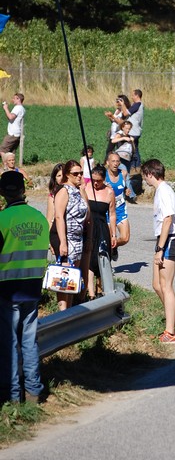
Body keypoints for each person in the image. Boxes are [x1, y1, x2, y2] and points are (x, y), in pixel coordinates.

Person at [0, 171, 49, 404]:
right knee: (29, 341)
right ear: (24, 190)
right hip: (32, 289)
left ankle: (12, 395)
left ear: (2, 193)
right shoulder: (39, 218)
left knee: (8, 343)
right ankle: (34, 392)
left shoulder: (2, 220)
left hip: (7, 291)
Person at [141, 158, 175, 343]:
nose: (145, 180)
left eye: (145, 176)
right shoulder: (161, 191)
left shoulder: (164, 191)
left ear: (150, 174)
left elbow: (168, 219)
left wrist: (160, 249)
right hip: (163, 241)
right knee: (157, 284)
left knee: (166, 286)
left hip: (169, 240)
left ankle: (170, 333)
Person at [50, 160, 91, 311]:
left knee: (73, 276)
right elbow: (59, 216)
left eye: (81, 173)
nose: (79, 176)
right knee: (64, 276)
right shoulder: (63, 191)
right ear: (67, 175)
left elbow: (87, 214)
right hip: (64, 237)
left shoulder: (79, 190)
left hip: (77, 237)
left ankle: (70, 309)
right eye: (75, 174)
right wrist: (63, 243)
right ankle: (63, 312)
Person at [84, 165, 117, 299]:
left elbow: (113, 214)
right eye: (93, 180)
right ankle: (91, 293)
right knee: (90, 258)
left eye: (98, 180)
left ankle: (100, 288)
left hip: (102, 227)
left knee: (102, 256)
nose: (95, 183)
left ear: (104, 179)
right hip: (89, 226)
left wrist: (113, 234)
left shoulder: (109, 192)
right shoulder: (86, 188)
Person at [105, 153, 131, 261]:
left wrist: (126, 190)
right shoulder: (103, 176)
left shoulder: (123, 173)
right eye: (113, 161)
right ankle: (106, 270)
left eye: (117, 161)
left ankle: (114, 246)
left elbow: (124, 187)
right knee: (109, 239)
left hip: (120, 211)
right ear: (107, 163)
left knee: (125, 238)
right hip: (107, 213)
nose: (115, 164)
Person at [111, 120, 137, 202]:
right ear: (122, 127)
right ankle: (132, 195)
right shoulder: (120, 134)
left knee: (124, 177)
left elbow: (133, 149)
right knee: (127, 177)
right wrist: (123, 138)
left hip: (128, 159)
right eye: (126, 128)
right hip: (120, 158)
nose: (128, 130)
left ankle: (122, 195)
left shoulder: (130, 136)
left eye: (129, 128)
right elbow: (113, 141)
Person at [0, 93, 26, 165]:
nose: (13, 100)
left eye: (14, 98)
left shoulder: (17, 108)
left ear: (18, 99)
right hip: (17, 133)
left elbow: (11, 117)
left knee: (2, 150)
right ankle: (12, 167)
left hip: (13, 133)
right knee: (11, 152)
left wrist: (6, 108)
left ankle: (6, 166)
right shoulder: (22, 109)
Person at [104, 94, 131, 160]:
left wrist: (112, 116)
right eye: (117, 100)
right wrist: (109, 117)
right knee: (109, 151)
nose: (117, 102)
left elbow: (121, 123)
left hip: (119, 134)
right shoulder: (117, 110)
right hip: (113, 134)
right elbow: (113, 121)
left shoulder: (124, 111)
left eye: (119, 100)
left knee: (119, 151)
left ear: (123, 101)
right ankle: (106, 163)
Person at [46, 162, 64, 228]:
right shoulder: (52, 196)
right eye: (59, 176)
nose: (62, 178)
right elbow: (49, 219)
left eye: (63, 175)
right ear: (55, 179)